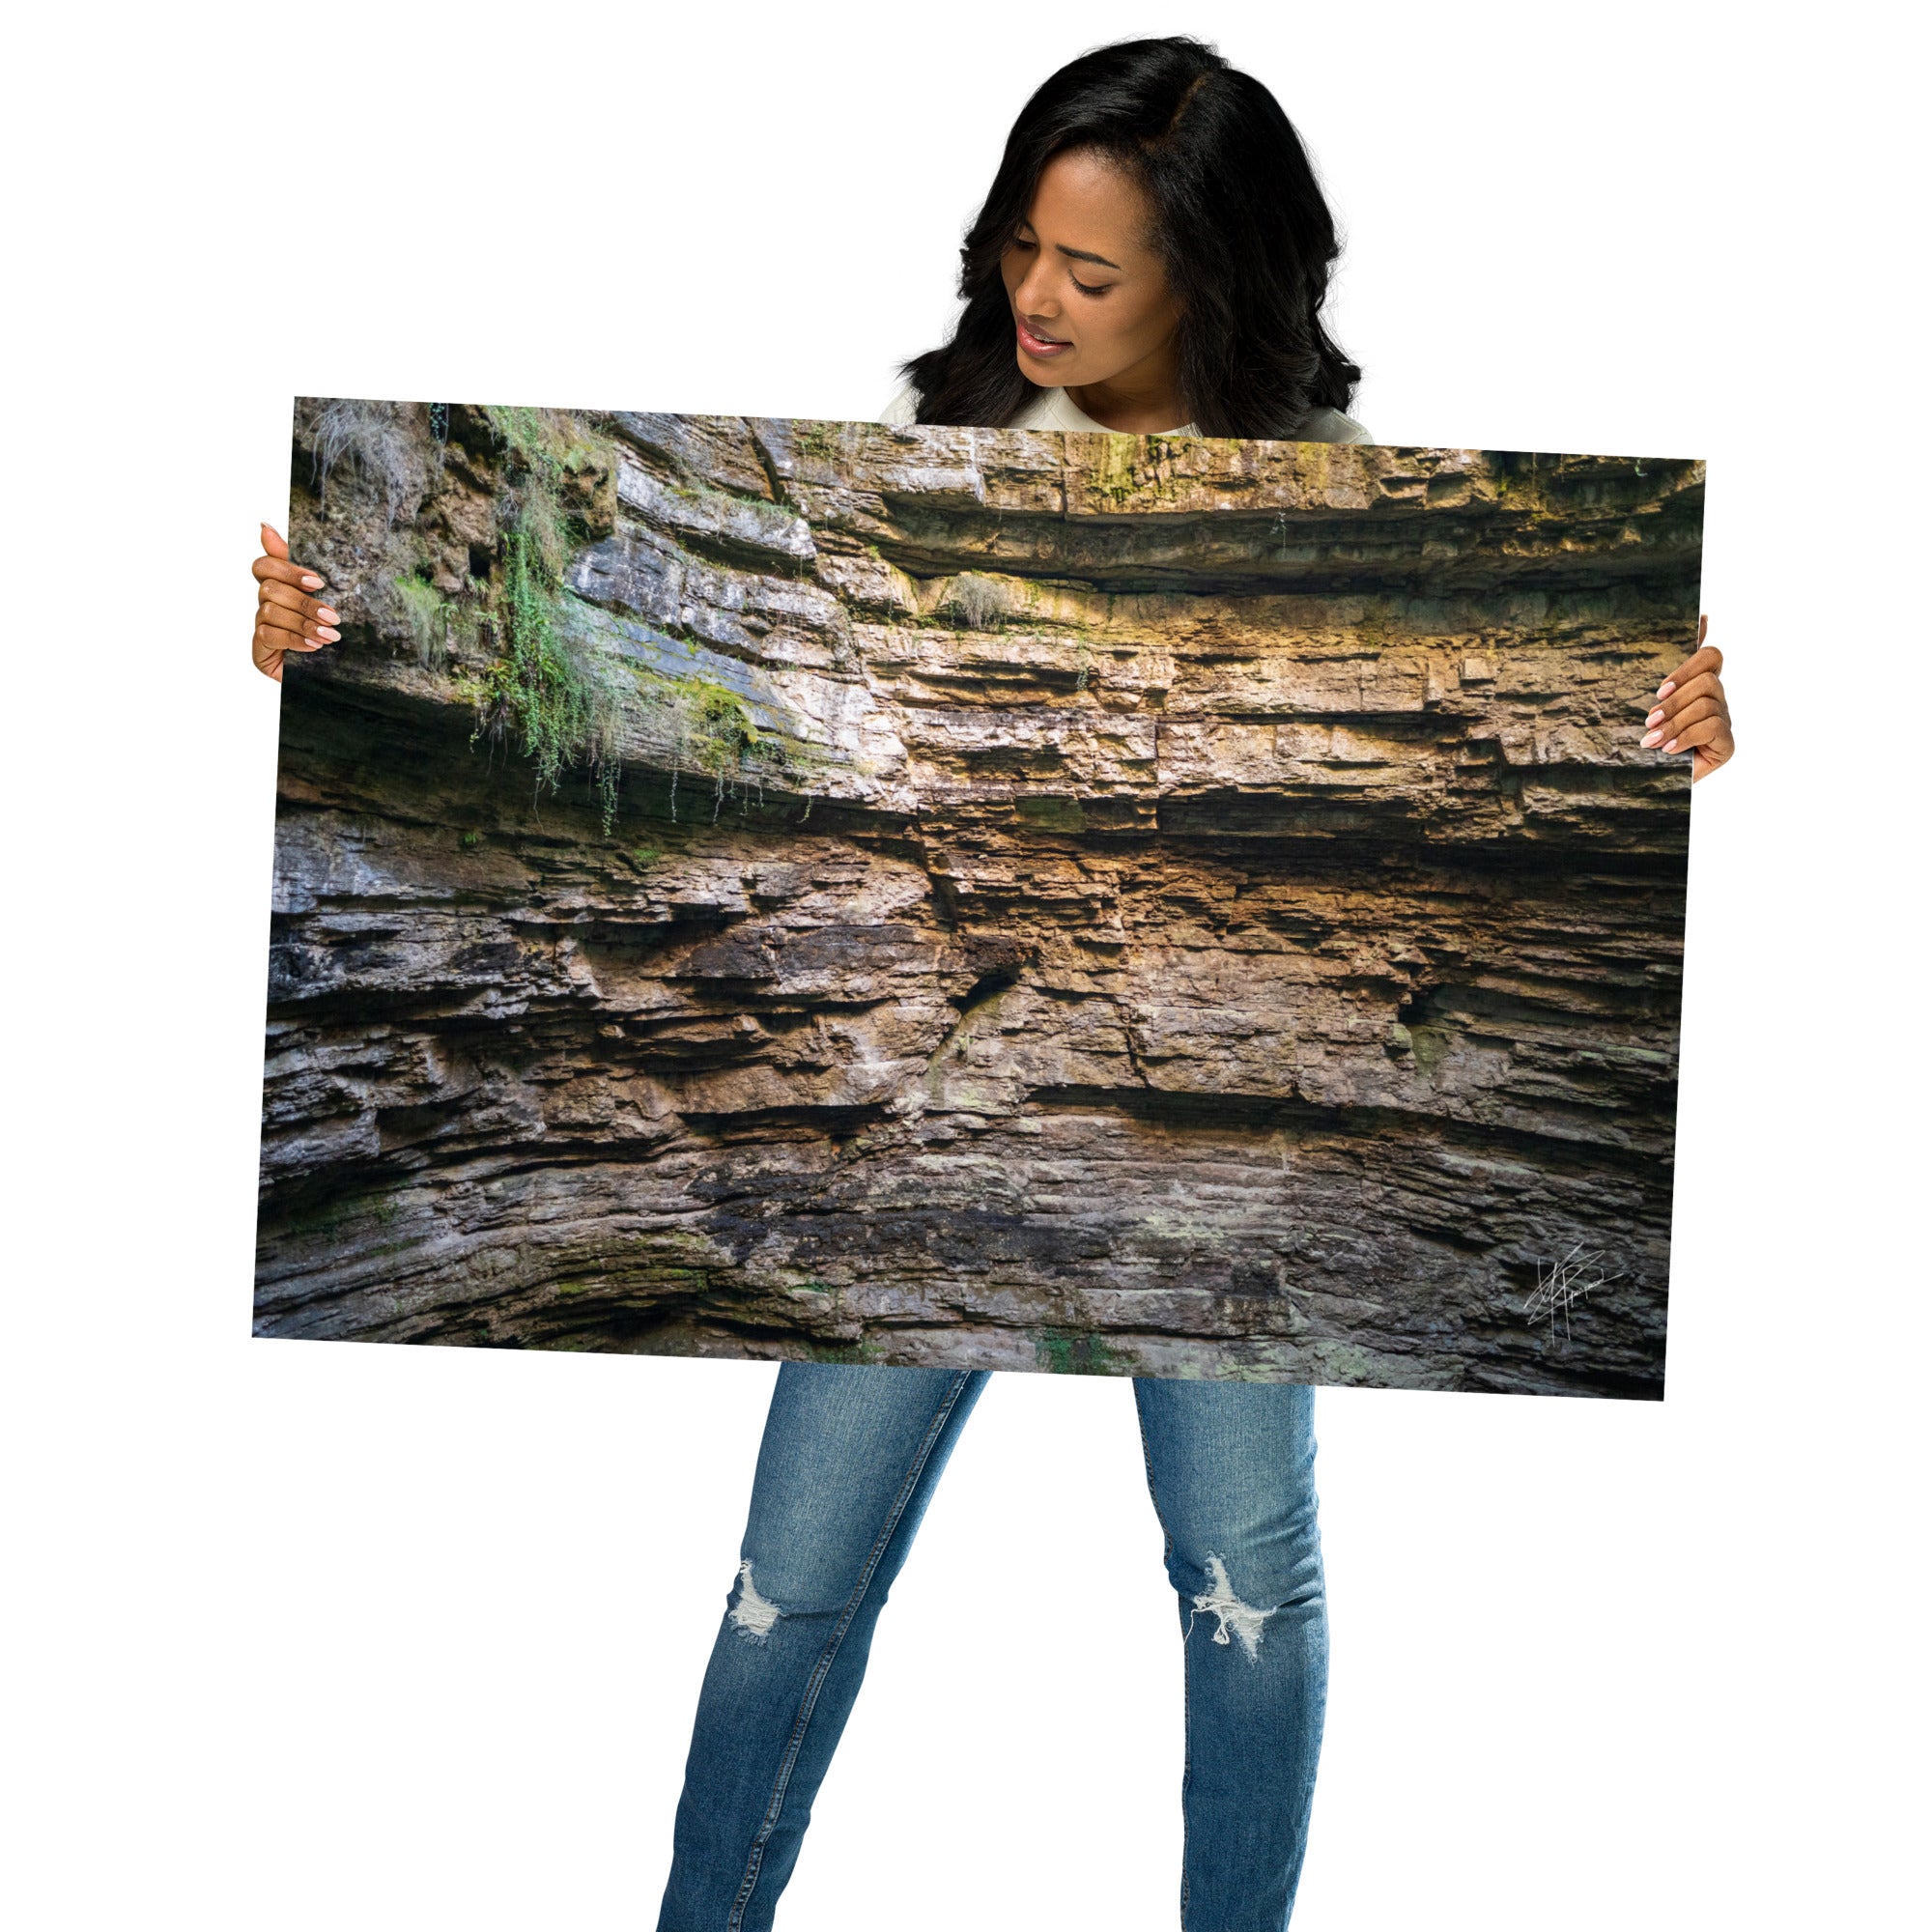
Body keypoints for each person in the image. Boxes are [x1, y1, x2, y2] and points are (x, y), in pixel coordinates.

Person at [247, 37, 1735, 1931]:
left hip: (1223, 1138)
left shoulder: (1362, 509)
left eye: (1090, 271)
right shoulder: (931, 451)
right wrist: (346, 625)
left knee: (1244, 1582)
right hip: (921, 1114)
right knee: (787, 1582)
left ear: (1218, 274)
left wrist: (1659, 729)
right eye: (1022, 245)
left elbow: (1476, 819)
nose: (1035, 297)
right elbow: (672, 680)